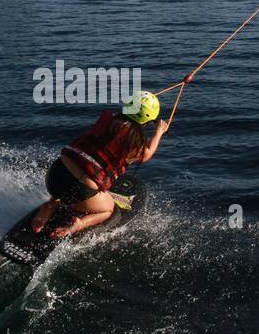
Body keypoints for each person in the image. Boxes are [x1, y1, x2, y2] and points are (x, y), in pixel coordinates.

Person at [31, 91, 169, 239]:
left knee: (68, 182)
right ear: (147, 121)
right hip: (79, 188)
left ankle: (51, 205)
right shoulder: (134, 142)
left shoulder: (108, 117)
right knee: (108, 209)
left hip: (54, 175)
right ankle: (78, 224)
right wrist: (159, 132)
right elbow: (145, 155)